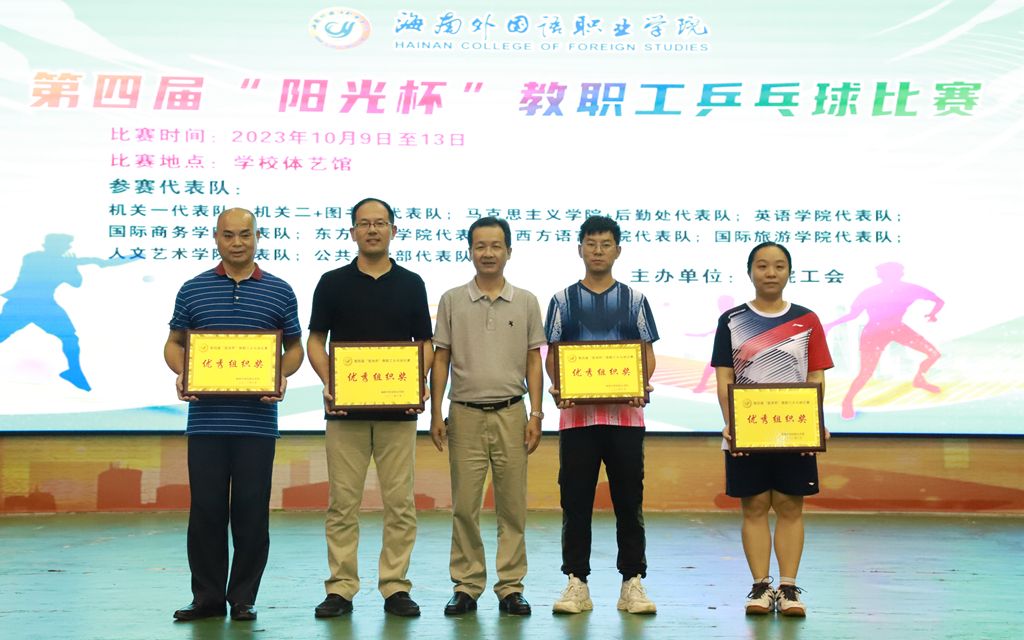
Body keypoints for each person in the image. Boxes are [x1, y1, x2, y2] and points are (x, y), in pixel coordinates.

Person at [164, 208, 304, 622]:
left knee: (251, 512)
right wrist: (182, 371)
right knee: (206, 512)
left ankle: (243, 597)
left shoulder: (280, 291)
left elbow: (294, 347)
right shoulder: (193, 289)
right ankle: (207, 598)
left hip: (257, 424)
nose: (237, 242)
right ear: (216, 238)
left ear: (257, 237)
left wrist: (281, 375)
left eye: (245, 234)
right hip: (206, 423)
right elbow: (174, 343)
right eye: (229, 235)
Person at [307, 197, 433, 618]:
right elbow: (315, 340)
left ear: (393, 230)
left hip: (398, 414)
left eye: (380, 223)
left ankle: (395, 586)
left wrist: (417, 380)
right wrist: (330, 382)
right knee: (342, 504)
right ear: (353, 232)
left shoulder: (412, 283)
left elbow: (425, 343)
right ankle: (341, 588)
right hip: (345, 414)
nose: (372, 230)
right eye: (364, 223)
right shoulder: (331, 282)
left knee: (400, 504)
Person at [430, 217, 545, 616]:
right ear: (470, 251)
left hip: (512, 414)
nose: (488, 253)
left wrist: (536, 413)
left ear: (509, 251)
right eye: (480, 246)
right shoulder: (451, 300)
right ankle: (466, 585)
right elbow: (441, 358)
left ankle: (511, 587)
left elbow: (534, 360)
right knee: (465, 505)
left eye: (496, 246)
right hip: (464, 415)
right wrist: (436, 412)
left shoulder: (526, 301)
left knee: (512, 506)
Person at [711, 241, 833, 617]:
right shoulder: (731, 320)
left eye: (779, 266)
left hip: (794, 432)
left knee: (790, 506)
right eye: (762, 266)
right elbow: (724, 378)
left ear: (789, 272)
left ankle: (789, 588)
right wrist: (731, 424)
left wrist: (815, 422)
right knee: (754, 506)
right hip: (748, 431)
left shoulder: (807, 319)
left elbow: (815, 376)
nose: (770, 273)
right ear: (750, 272)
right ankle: (761, 587)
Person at [545, 216, 659, 615]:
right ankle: (576, 582)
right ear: (579, 249)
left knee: (629, 501)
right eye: (590, 243)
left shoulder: (635, 300)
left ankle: (632, 582)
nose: (597, 251)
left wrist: (640, 383)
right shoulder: (562, 301)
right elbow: (554, 355)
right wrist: (560, 386)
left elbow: (646, 354)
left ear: (617, 250)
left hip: (625, 419)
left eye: (605, 244)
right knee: (575, 501)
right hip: (577, 420)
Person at [1, 233, 131, 391]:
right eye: (64, 245)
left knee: (69, 337)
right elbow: (73, 274)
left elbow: (76, 282)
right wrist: (70, 264)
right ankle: (74, 372)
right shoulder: (33, 257)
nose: (66, 248)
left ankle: (74, 372)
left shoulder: (62, 263)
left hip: (42, 306)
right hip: (22, 304)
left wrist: (72, 266)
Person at [823, 262, 943, 420]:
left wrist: (933, 314)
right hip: (874, 332)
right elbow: (853, 315)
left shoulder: (910, 289)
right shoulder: (870, 293)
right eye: (888, 273)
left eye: (895, 273)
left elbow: (939, 301)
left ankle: (919, 379)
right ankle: (847, 401)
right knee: (866, 372)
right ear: (881, 275)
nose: (891, 277)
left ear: (900, 274)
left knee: (933, 354)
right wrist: (831, 325)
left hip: (897, 328)